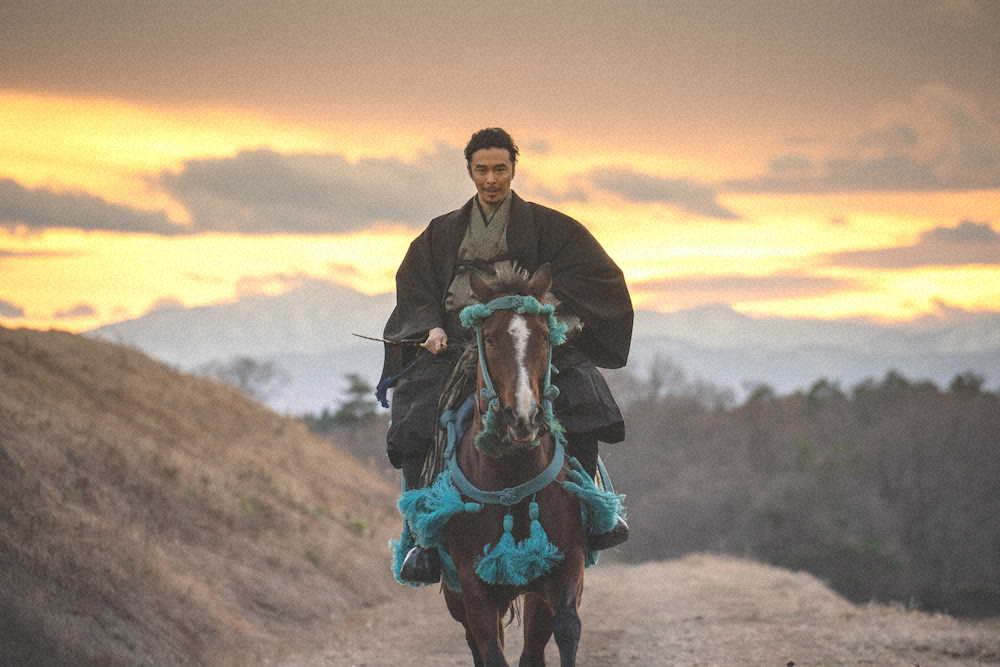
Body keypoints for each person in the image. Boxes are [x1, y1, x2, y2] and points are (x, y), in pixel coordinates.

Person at [380, 127, 633, 583]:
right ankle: (421, 534)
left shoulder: (552, 227)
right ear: (470, 172)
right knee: (415, 420)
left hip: (532, 338)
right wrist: (431, 326)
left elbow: (600, 279)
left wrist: (553, 321)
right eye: (482, 170)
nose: (491, 179)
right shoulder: (441, 232)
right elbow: (415, 287)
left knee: (584, 401)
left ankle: (593, 509)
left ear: (514, 170)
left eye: (500, 169)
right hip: (462, 344)